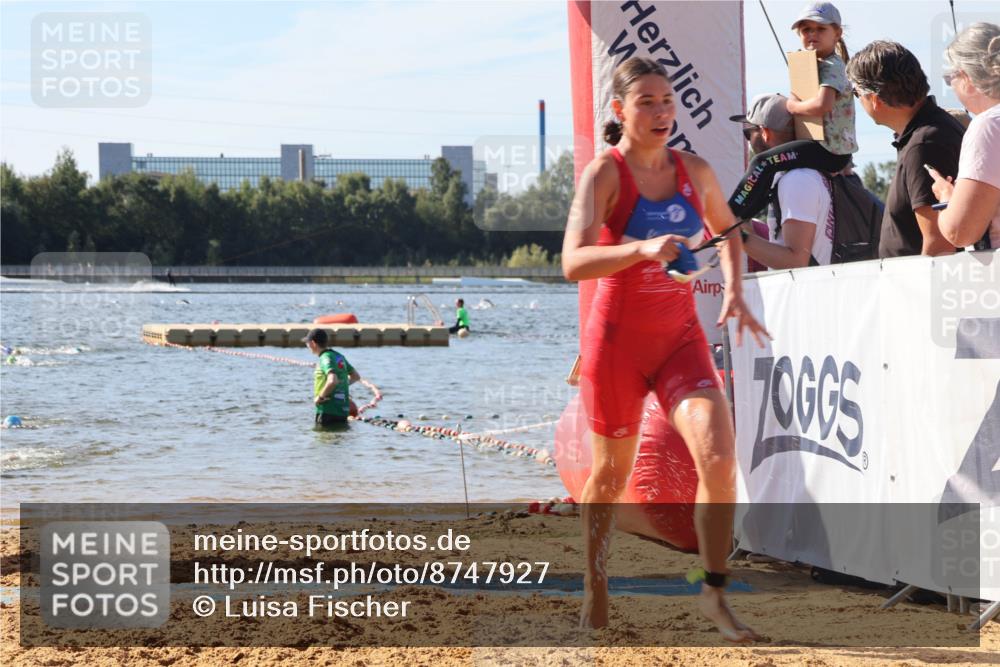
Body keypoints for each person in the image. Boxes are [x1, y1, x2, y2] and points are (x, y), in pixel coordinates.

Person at [561, 57, 769, 642]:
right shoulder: (605, 175)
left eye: (667, 101)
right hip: (616, 345)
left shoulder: (694, 169)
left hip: (680, 342)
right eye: (647, 101)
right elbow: (572, 262)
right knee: (607, 476)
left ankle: (713, 592)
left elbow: (728, 231)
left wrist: (733, 288)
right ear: (619, 110)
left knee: (720, 460)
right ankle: (596, 587)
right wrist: (640, 249)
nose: (660, 112)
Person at [728, 1, 856, 221]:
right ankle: (742, 217)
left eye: (820, 28)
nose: (812, 34)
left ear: (837, 33)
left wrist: (791, 106)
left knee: (762, 162)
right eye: (806, 29)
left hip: (829, 152)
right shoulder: (811, 65)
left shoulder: (832, 66)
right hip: (824, 148)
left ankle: (727, 215)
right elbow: (805, 98)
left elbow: (822, 105)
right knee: (770, 166)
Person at [846, 40, 965, 257]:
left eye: (856, 93)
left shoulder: (924, 143)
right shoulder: (930, 131)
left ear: (874, 99)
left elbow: (940, 244)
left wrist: (916, 291)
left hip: (920, 287)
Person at [731, 93, 836, 268]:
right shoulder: (800, 175)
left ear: (765, 132)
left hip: (802, 293)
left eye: (748, 134)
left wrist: (733, 235)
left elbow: (796, 261)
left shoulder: (797, 180)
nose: (749, 142)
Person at [928, 22, 1000, 250]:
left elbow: (960, 231)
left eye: (950, 79)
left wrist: (947, 196)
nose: (951, 87)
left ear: (967, 79)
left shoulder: (988, 126)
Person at [304, 328, 359, 428]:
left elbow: (332, 380)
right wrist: (341, 386)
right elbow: (355, 377)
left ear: (313, 343)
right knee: (338, 440)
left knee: (323, 441)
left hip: (327, 410)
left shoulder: (325, 358)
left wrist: (319, 397)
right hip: (342, 411)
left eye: (307, 343)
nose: (307, 346)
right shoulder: (339, 356)